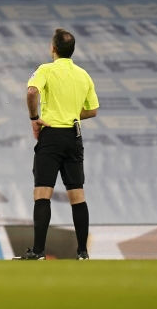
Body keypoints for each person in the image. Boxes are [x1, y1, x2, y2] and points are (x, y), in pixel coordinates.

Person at [15, 28, 99, 261]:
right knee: (77, 195)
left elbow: (32, 92)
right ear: (72, 51)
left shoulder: (46, 70)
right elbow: (93, 110)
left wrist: (34, 118)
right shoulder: (83, 75)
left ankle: (39, 252)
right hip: (73, 136)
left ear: (53, 49)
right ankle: (82, 252)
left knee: (42, 193)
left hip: (51, 136)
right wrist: (71, 113)